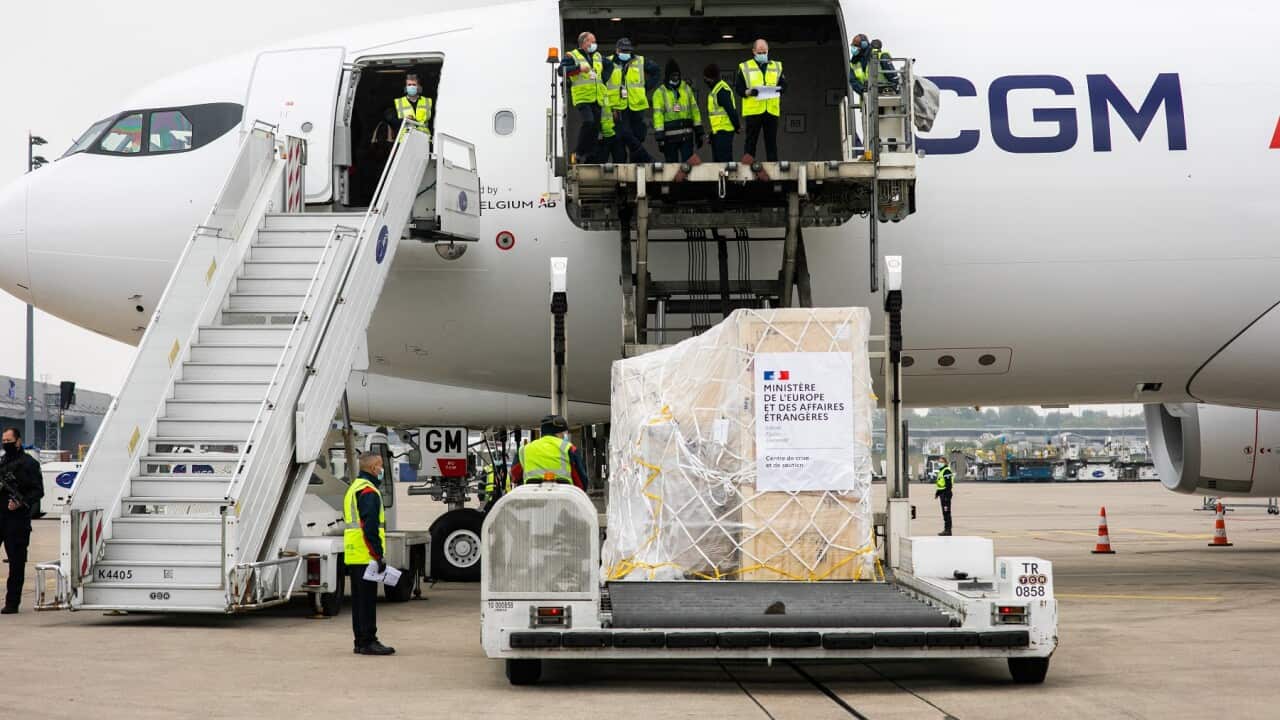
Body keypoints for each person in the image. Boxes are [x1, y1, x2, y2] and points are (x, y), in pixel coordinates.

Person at [343, 452, 394, 655]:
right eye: (380, 466)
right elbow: (369, 527)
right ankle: (368, 641)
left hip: (355, 554)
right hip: (366, 555)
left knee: (359, 602)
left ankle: (360, 641)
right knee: (367, 602)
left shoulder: (354, 488)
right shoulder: (368, 491)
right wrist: (378, 555)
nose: (381, 469)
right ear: (373, 468)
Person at [0, 427, 42, 614]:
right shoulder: (2, 462)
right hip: (0, 516)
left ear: (18, 441)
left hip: (17, 521)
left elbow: (38, 491)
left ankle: (12, 602)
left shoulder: (29, 464)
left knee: (16, 563)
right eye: (4, 441)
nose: (6, 444)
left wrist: (20, 502)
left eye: (9, 441)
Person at [603, 37, 660, 163]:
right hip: (618, 106)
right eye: (623, 51)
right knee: (621, 136)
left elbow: (656, 72)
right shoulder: (608, 62)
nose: (626, 54)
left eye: (628, 51)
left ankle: (637, 162)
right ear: (617, 50)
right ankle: (624, 162)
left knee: (638, 135)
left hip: (636, 105)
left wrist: (645, 88)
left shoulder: (640, 60)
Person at [735, 38, 786, 163]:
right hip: (753, 111)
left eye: (764, 52)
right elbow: (739, 88)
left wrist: (778, 89)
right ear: (754, 51)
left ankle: (773, 169)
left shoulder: (777, 66)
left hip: (771, 111)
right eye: (760, 52)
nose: (762, 54)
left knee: (771, 143)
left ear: (768, 51)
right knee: (751, 142)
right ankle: (748, 167)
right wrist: (749, 92)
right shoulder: (744, 67)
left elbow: (784, 85)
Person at [507, 415, 589, 491]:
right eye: (563, 433)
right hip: (563, 502)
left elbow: (514, 476)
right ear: (559, 432)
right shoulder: (569, 449)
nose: (564, 436)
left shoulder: (524, 450)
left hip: (534, 502)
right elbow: (581, 483)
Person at [559, 31, 606, 164]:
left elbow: (605, 70)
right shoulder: (572, 55)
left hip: (596, 98)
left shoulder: (597, 56)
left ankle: (589, 155)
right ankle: (578, 152)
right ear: (584, 42)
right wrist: (579, 68)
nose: (594, 44)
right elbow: (561, 71)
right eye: (592, 41)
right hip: (582, 97)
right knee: (588, 122)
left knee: (595, 128)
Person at [652, 60, 704, 163]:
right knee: (671, 168)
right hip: (669, 137)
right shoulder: (660, 93)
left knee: (689, 166)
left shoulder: (686, 88)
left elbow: (695, 110)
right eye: (673, 75)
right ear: (667, 76)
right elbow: (658, 115)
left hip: (686, 135)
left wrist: (699, 131)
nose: (676, 78)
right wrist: (660, 137)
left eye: (677, 75)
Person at [702, 64, 740, 162]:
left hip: (724, 131)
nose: (706, 82)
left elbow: (731, 110)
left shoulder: (721, 90)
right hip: (718, 132)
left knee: (724, 161)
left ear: (712, 78)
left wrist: (737, 126)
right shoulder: (715, 90)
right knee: (718, 163)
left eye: (707, 79)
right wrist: (712, 133)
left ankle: (726, 177)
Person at [392, 72, 433, 139]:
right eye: (409, 85)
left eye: (414, 85)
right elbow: (393, 121)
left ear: (419, 87)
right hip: (405, 139)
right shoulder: (398, 102)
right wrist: (405, 120)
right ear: (405, 87)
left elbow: (433, 121)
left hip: (423, 138)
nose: (411, 87)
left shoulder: (428, 101)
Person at [934, 459, 955, 536]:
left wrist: (946, 495)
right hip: (942, 494)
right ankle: (946, 529)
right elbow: (941, 484)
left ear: (945, 462)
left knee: (947, 512)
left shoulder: (946, 471)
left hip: (946, 494)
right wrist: (937, 493)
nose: (939, 463)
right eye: (939, 462)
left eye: (941, 462)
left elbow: (949, 484)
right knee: (945, 512)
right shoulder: (941, 471)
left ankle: (948, 530)